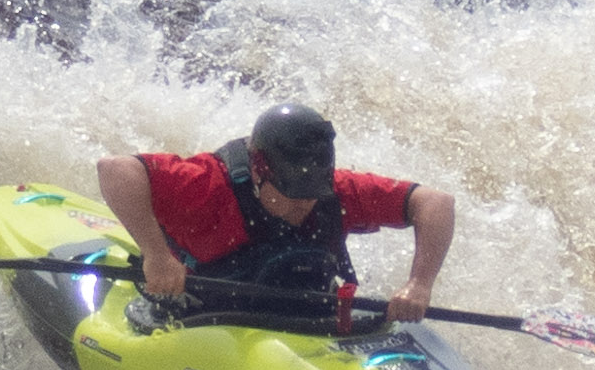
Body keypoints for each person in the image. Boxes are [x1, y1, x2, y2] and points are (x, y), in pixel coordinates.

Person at [95, 104, 455, 322]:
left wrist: (419, 284)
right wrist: (157, 256)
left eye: (312, 195)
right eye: (292, 194)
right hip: (200, 315)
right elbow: (115, 169)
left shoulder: (337, 191)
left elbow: (435, 203)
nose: (303, 204)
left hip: (300, 323)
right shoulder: (207, 185)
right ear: (258, 172)